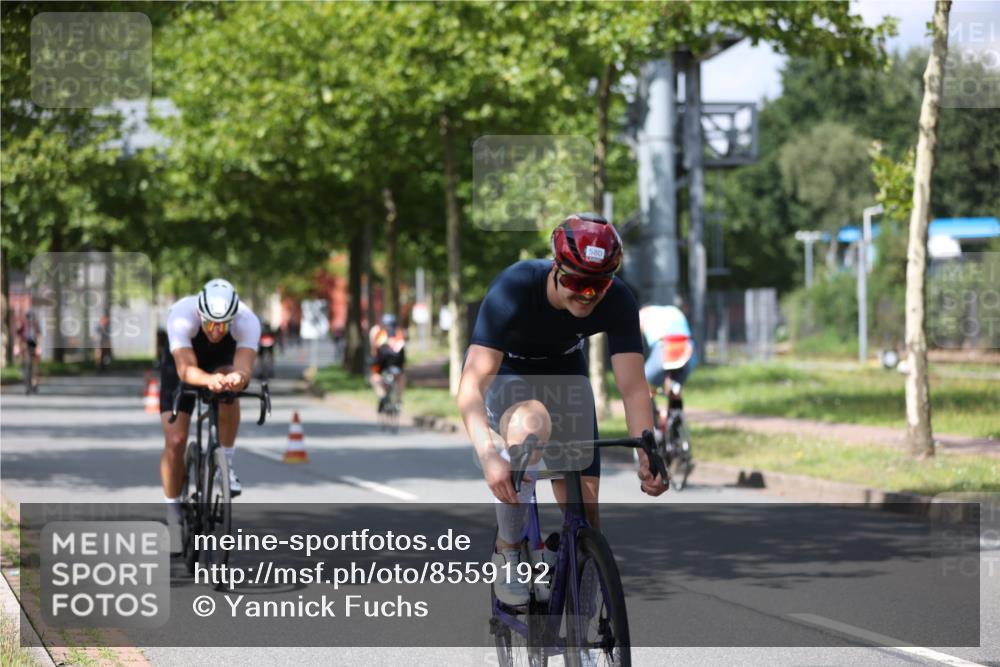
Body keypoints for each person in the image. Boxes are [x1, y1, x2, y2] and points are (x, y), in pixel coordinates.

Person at [457, 212, 667, 606]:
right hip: (509, 371)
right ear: (556, 267)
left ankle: (578, 607)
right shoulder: (515, 286)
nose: (587, 295)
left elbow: (634, 388)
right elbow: (471, 383)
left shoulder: (619, 299)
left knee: (586, 512)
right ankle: (508, 549)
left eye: (597, 286)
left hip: (567, 372)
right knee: (532, 421)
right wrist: (489, 454)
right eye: (576, 283)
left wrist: (647, 452)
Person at [159, 279, 260, 537]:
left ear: (233, 318)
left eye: (223, 324)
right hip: (185, 362)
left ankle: (225, 463)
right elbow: (185, 369)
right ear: (199, 315)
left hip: (222, 361)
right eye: (211, 323)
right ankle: (172, 513)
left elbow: (244, 367)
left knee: (229, 389)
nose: (216, 331)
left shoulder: (247, 321)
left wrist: (238, 379)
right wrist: (207, 380)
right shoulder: (182, 315)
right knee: (176, 440)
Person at [638, 301, 697, 396]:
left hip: (664, 347)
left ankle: (652, 405)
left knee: (641, 381)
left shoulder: (642, 314)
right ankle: (675, 408)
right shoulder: (674, 310)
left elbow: (637, 340)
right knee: (675, 387)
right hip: (687, 349)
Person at [369, 313, 406, 412]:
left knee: (374, 378)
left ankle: (382, 395)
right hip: (397, 363)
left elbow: (374, 350)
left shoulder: (377, 331)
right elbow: (403, 352)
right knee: (401, 377)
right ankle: (399, 399)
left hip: (381, 363)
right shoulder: (399, 333)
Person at [15, 311, 41, 392]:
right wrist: (16, 347)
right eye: (28, 319)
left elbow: (39, 337)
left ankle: (34, 381)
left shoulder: (36, 325)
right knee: (23, 352)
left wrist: (39, 347)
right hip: (25, 343)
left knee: (34, 364)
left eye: (31, 319)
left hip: (34, 343)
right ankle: (23, 366)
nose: (30, 321)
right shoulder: (23, 325)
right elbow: (18, 336)